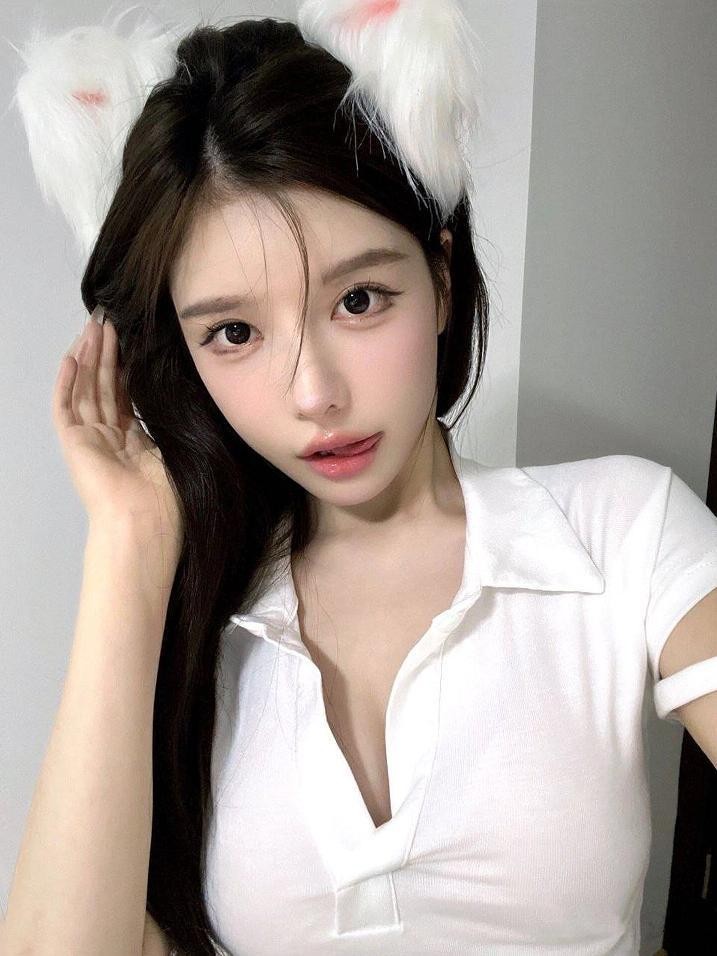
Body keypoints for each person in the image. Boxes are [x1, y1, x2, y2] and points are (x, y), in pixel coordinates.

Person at [4, 3, 717, 955]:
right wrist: (128, 540)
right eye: (234, 332)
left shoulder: (622, 530)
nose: (313, 394)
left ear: (441, 282)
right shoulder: (190, 617)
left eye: (359, 299)